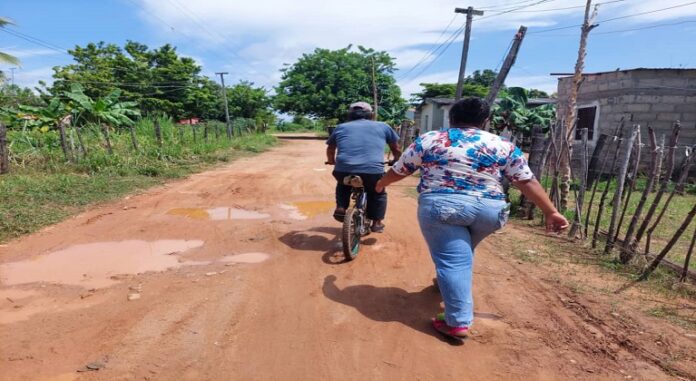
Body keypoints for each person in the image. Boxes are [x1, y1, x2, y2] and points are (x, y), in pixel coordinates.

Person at [375, 97, 568, 339]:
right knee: (459, 253)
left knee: (453, 261)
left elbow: (401, 169)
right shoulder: (503, 144)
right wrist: (551, 211)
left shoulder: (431, 139)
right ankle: (444, 282)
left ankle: (456, 322)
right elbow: (526, 180)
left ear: (451, 118)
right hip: (490, 211)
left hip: (444, 207)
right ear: (485, 121)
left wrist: (381, 184)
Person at [326, 101, 402, 233]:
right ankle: (377, 222)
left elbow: (331, 148)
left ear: (350, 114)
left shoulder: (340, 127)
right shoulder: (383, 126)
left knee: (342, 184)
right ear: (371, 114)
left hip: (343, 169)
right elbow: (396, 148)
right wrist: (396, 160)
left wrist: (331, 161)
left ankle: (341, 207)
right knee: (378, 191)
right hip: (372, 171)